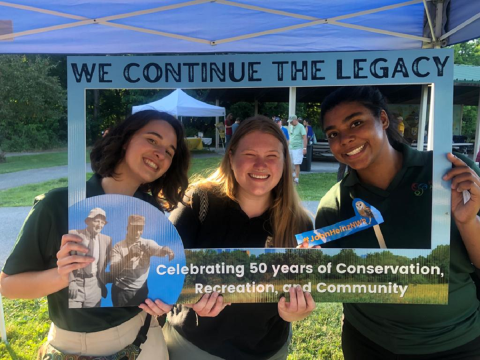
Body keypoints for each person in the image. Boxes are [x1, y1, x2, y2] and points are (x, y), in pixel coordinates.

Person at [0, 110, 190, 358]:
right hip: (77, 347)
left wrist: (161, 301)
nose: (160, 153)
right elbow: (9, 286)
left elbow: (154, 278)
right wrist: (63, 275)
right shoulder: (58, 204)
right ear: (125, 140)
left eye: (169, 151)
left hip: (145, 338)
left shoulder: (151, 210)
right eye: (152, 140)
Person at [315, 86, 480, 359]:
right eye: (333, 134)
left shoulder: (449, 173)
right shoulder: (334, 204)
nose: (345, 139)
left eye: (356, 122)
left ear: (382, 119)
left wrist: (467, 220)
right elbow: (331, 279)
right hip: (370, 342)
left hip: (457, 341)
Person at [144, 116, 315, 360]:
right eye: (250, 154)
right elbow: (160, 271)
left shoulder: (300, 223)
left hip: (268, 351)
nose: (260, 164)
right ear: (231, 156)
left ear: (285, 162)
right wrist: (191, 299)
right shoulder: (198, 202)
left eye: (271, 156)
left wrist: (295, 313)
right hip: (194, 347)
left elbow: (303, 290)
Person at [110, 214, 175, 307]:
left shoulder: (147, 244)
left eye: (140, 229)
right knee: (122, 320)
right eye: (134, 228)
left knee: (143, 318)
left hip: (141, 290)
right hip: (121, 291)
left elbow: (158, 249)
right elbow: (113, 270)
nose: (137, 232)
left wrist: (166, 250)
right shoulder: (118, 247)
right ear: (127, 228)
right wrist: (129, 256)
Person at [69, 207, 111, 308]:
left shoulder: (107, 240)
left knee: (93, 318)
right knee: (75, 318)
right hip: (75, 283)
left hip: (94, 286)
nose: (100, 225)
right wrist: (71, 281)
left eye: (102, 222)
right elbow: (64, 259)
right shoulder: (74, 234)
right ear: (88, 221)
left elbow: (107, 260)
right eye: (96, 221)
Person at [288, 115, 307, 185]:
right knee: (290, 163)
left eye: (291, 121)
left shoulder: (301, 127)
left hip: (298, 148)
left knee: (296, 164)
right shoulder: (291, 127)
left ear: (295, 120)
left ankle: (296, 179)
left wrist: (304, 148)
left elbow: (304, 138)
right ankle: (293, 176)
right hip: (290, 147)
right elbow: (290, 136)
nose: (290, 123)